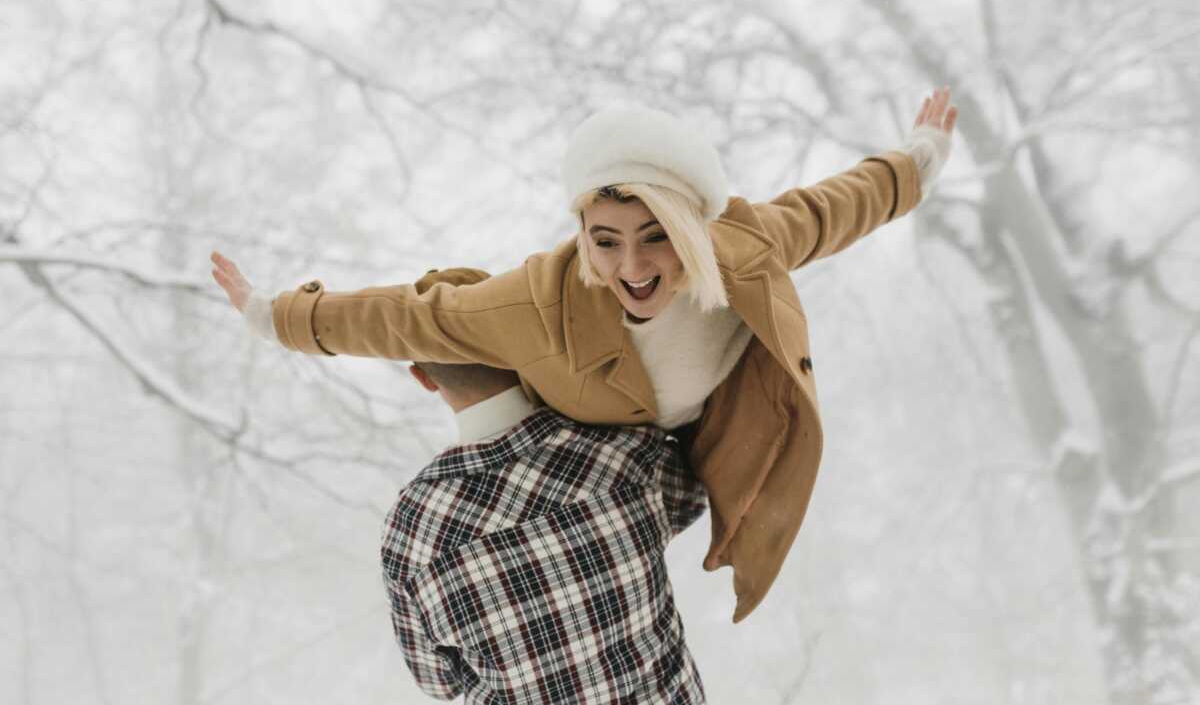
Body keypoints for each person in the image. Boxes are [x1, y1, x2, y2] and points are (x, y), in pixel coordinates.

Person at [211, 87, 958, 623]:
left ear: (692, 230)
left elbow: (834, 208)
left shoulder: (745, 251)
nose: (632, 266)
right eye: (606, 241)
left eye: (656, 237)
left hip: (684, 457)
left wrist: (919, 158)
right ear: (583, 236)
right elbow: (407, 317)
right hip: (570, 464)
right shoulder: (533, 306)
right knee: (456, 334)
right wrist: (276, 315)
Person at [380, 267, 724, 705]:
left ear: (423, 377)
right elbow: (688, 500)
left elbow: (438, 681)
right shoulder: (619, 452)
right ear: (518, 343)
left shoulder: (415, 528)